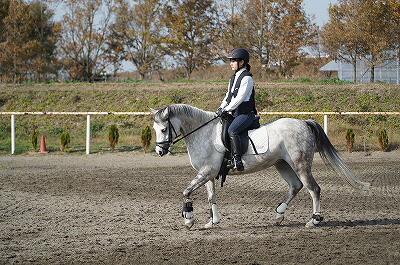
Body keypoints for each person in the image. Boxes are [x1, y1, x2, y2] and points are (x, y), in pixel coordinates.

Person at [216, 48, 258, 171]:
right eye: (231, 61)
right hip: (235, 114)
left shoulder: (247, 78)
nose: (231, 63)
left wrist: (226, 109)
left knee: (232, 130)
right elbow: (228, 96)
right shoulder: (233, 78)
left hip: (246, 114)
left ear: (242, 62)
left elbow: (239, 99)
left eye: (233, 61)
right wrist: (221, 108)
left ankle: (237, 160)